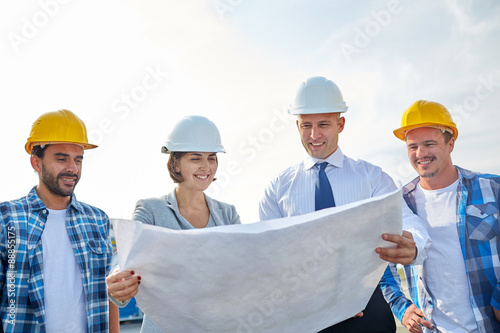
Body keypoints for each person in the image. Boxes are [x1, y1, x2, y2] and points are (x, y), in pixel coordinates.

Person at [259, 76, 431, 333]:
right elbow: (267, 256)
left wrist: (414, 245)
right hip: (305, 316)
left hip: (368, 314)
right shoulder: (277, 189)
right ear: (297, 126)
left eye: (324, 124)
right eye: (306, 125)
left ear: (340, 124)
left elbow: (405, 219)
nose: (314, 135)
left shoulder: (372, 178)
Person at [106, 115, 241, 332]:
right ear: (176, 163)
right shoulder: (151, 210)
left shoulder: (228, 215)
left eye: (212, 158)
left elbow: (242, 268)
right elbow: (127, 254)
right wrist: (117, 276)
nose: (206, 167)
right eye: (196, 158)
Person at [381, 100, 500, 333]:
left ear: (451, 143)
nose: (420, 153)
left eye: (429, 144)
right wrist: (401, 307)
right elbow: (382, 267)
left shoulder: (493, 188)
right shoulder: (398, 204)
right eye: (412, 146)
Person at [0, 110, 113, 332]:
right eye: (61, 158)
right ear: (36, 162)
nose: (72, 168)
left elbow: (110, 294)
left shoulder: (98, 220)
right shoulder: (7, 218)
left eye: (78, 159)